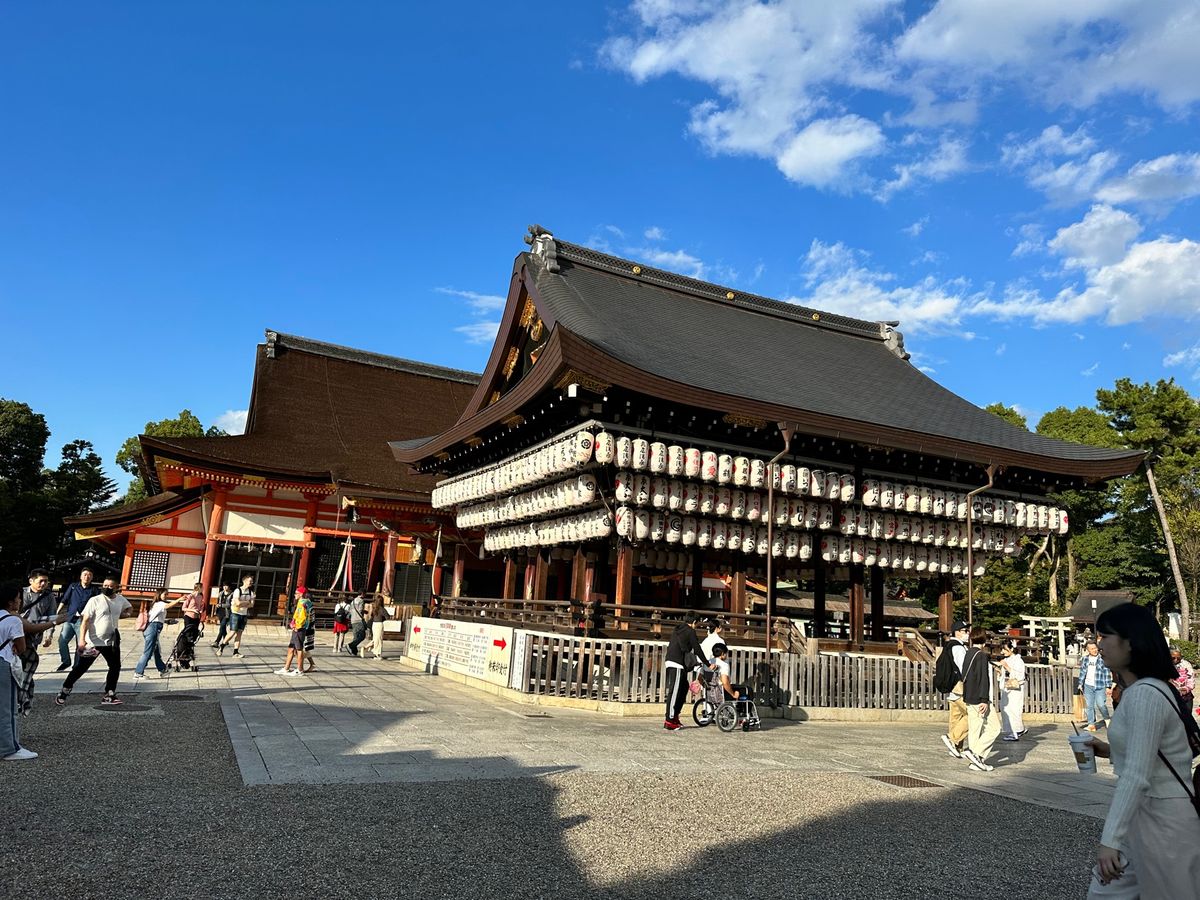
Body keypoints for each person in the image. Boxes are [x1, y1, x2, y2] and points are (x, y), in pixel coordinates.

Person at [1086, 603, 1200, 896]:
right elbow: (1149, 755)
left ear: (1130, 642)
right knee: (1106, 892)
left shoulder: (1145, 695)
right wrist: (1110, 751)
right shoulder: (1148, 690)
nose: (1099, 646)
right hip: (1145, 813)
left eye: (1105, 637)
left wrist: (1109, 840)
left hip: (1163, 819)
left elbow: (1137, 774)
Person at [55, 577, 132, 706]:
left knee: (115, 666)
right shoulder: (95, 600)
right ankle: (65, 689)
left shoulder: (120, 600)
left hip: (111, 641)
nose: (106, 587)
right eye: (105, 585)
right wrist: (81, 640)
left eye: (110, 586)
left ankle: (110, 693)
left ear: (116, 587)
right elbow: (85, 621)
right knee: (81, 668)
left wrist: (126, 615)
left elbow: (129, 608)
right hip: (94, 641)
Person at [1, 581, 49, 760]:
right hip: (4, 663)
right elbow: (21, 648)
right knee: (8, 707)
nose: (19, 602)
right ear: (11, 602)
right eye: (18, 599)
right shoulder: (13, 619)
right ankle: (10, 748)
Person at [663, 613, 713, 731]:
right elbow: (697, 649)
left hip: (672, 661)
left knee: (684, 687)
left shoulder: (678, 629)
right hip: (677, 663)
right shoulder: (690, 631)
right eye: (698, 623)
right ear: (694, 622)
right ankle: (669, 720)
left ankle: (674, 715)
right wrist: (708, 664)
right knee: (674, 691)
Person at [961, 628, 1000, 772]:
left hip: (969, 696)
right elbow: (984, 679)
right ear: (984, 640)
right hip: (980, 698)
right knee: (994, 728)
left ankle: (975, 761)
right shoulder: (981, 656)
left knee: (975, 729)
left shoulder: (968, 653)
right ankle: (976, 754)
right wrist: (984, 699)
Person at [53, 567, 100, 671]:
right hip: (70, 618)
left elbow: (98, 605)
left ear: (92, 577)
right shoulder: (73, 586)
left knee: (80, 644)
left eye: (89, 575)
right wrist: (57, 611)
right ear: (80, 576)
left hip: (83, 621)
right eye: (85, 574)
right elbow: (64, 599)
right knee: (62, 640)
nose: (86, 577)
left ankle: (76, 666)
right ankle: (66, 661)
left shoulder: (95, 590)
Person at [938, 620, 970, 758]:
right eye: (965, 631)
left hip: (952, 687)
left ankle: (956, 748)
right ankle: (953, 738)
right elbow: (964, 668)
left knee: (956, 717)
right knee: (973, 715)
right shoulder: (958, 647)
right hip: (960, 686)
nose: (968, 634)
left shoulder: (948, 645)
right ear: (957, 632)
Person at [134, 589, 181, 679]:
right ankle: (138, 672)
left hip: (151, 628)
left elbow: (156, 618)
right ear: (159, 594)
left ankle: (162, 669)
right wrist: (179, 599)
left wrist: (167, 621)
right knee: (148, 651)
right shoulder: (160, 604)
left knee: (156, 651)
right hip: (153, 629)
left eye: (167, 594)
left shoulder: (155, 604)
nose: (166, 596)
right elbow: (168, 606)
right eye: (165, 594)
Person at [276, 587, 313, 677]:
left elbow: (303, 617)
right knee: (291, 648)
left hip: (299, 628)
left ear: (301, 594)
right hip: (297, 626)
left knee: (298, 649)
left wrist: (298, 626)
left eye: (296, 593)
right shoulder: (303, 602)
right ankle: (286, 668)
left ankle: (300, 669)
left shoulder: (303, 603)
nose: (295, 594)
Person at [1079, 640, 1114, 732]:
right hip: (1088, 685)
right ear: (1088, 650)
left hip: (1100, 685)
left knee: (1101, 704)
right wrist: (1080, 684)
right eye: (1092, 649)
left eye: (1095, 648)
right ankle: (1091, 724)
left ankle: (1107, 719)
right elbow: (1082, 672)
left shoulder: (1102, 659)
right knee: (1089, 706)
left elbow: (1106, 672)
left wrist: (1108, 686)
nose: (1094, 650)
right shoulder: (1085, 659)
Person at [997, 640, 1027, 741]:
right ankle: (1015, 730)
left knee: (1014, 709)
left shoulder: (1018, 660)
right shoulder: (1007, 660)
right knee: (1006, 709)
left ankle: (1016, 731)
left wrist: (1006, 667)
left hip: (1015, 689)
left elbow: (1020, 675)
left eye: (1005, 649)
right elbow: (1003, 674)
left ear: (1011, 649)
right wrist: (1000, 672)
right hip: (1007, 688)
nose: (1003, 652)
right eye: (1002, 649)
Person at [218, 575, 254, 656]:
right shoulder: (237, 591)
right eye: (250, 581)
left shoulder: (250, 592)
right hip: (235, 614)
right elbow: (237, 603)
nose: (251, 583)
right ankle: (222, 646)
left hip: (244, 614)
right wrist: (246, 602)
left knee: (239, 633)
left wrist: (243, 603)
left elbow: (252, 605)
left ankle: (236, 652)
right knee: (233, 632)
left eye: (252, 581)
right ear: (244, 581)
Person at [363, 593, 390, 660]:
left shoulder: (374, 608)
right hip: (379, 624)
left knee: (375, 639)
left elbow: (372, 616)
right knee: (379, 640)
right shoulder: (382, 609)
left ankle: (368, 649)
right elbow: (387, 617)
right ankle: (377, 654)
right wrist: (383, 619)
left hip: (374, 625)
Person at [178, 581, 206, 647]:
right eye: (202, 588)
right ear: (199, 588)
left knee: (195, 632)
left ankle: (190, 647)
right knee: (188, 632)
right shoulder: (190, 596)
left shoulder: (201, 596)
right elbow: (183, 608)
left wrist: (201, 610)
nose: (203, 589)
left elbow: (201, 605)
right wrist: (192, 610)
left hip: (196, 617)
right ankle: (183, 646)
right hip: (189, 616)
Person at [210, 580, 235, 649]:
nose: (225, 587)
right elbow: (216, 600)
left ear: (229, 587)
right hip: (220, 612)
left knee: (222, 626)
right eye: (224, 586)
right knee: (223, 627)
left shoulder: (232, 594)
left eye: (226, 586)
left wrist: (221, 605)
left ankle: (217, 642)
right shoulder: (221, 593)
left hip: (227, 613)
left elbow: (230, 604)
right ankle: (226, 640)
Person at [347, 591, 368, 656]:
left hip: (353, 620)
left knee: (356, 636)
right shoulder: (361, 601)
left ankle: (354, 652)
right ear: (362, 593)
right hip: (359, 620)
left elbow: (350, 610)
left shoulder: (353, 601)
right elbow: (360, 610)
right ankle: (350, 645)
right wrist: (365, 611)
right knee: (362, 636)